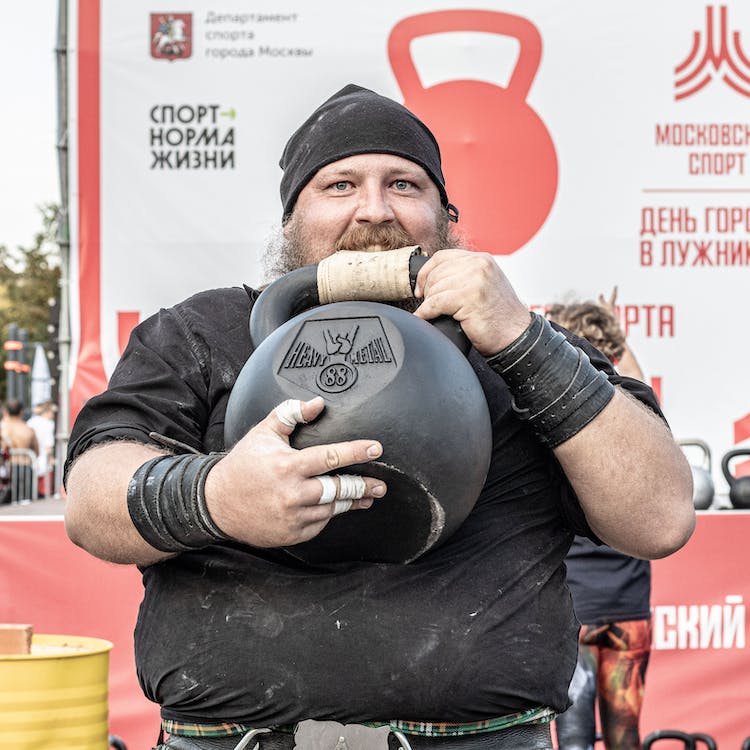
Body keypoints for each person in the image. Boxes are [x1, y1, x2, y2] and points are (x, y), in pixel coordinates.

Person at [63, 84, 695, 750]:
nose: (373, 211)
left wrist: (520, 339)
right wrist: (214, 496)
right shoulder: (197, 335)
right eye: (339, 186)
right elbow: (91, 500)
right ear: (289, 222)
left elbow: (660, 515)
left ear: (447, 219)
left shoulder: (523, 343)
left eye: (403, 183)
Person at [547, 293, 652, 750]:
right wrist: (616, 336)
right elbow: (634, 377)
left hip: (577, 609)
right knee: (625, 739)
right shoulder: (639, 413)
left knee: (573, 743)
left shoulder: (551, 414)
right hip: (628, 605)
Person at [1, 399, 39, 502]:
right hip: (26, 467)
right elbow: (36, 451)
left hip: (9, 469)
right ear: (21, 412)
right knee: (26, 503)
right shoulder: (28, 429)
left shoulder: (3, 428)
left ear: (6, 412)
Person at [26, 400, 57, 497]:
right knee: (44, 493)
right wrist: (51, 458)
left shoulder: (31, 421)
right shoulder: (49, 424)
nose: (53, 415)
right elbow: (49, 444)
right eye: (53, 412)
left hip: (31, 458)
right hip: (44, 460)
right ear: (48, 411)